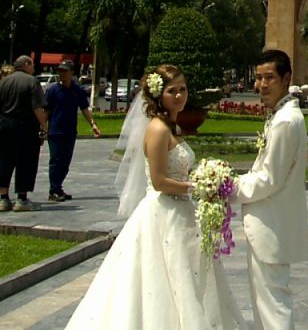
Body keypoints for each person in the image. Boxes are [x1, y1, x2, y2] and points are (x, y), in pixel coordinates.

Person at [65, 64, 246, 329]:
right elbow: (160, 181)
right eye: (172, 91)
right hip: (163, 211)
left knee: (188, 276)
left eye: (183, 89)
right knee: (163, 278)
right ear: (158, 95)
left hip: (181, 210)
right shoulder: (158, 129)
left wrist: (206, 175)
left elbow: (179, 168)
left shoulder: (174, 126)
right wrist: (198, 187)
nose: (179, 96)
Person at [235, 49, 308, 330]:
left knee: (273, 306)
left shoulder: (286, 121)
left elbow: (269, 179)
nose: (262, 85)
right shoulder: (281, 116)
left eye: (269, 78)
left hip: (272, 225)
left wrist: (229, 187)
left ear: (286, 78)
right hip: (269, 224)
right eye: (258, 78)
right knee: (265, 304)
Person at [45, 60, 101, 202]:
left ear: (72, 73)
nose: (62, 74)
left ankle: (58, 187)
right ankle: (54, 190)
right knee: (55, 160)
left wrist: (93, 124)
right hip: (55, 131)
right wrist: (42, 128)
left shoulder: (77, 91)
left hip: (70, 131)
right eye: (60, 71)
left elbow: (84, 109)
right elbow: (46, 111)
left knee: (65, 163)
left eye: (65, 71)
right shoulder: (52, 91)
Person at [0, 55, 47, 212]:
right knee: (25, 161)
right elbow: (37, 108)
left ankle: (3, 198)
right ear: (26, 64)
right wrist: (44, 126)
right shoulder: (31, 81)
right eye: (32, 64)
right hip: (25, 126)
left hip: (5, 125)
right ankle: (22, 198)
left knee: (5, 160)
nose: (33, 68)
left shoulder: (4, 81)